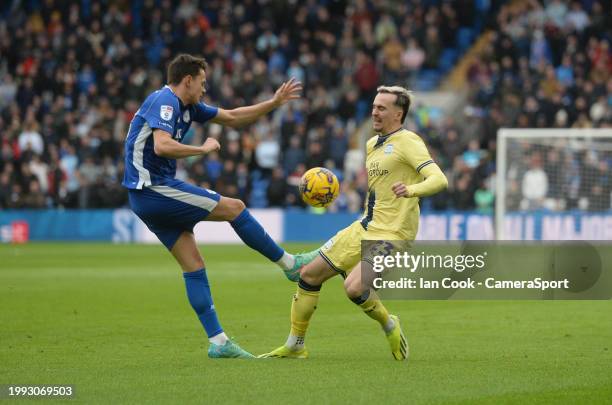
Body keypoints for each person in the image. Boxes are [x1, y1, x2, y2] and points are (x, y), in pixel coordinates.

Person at [122, 54, 317, 359]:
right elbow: (161, 145)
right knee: (235, 208)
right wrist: (202, 149)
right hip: (153, 189)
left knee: (194, 266)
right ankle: (289, 265)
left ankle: (218, 342)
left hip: (147, 196)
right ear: (188, 80)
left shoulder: (189, 107)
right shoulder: (166, 101)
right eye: (202, 81)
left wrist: (274, 102)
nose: (204, 87)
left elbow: (233, 117)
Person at [260, 86, 448, 360]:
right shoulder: (372, 144)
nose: (374, 112)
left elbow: (439, 179)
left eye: (382, 108)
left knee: (354, 288)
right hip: (363, 227)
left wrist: (412, 190)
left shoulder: (410, 141)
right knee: (308, 276)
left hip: (393, 234)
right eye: (373, 106)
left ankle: (389, 324)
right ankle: (295, 345)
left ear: (398, 114)